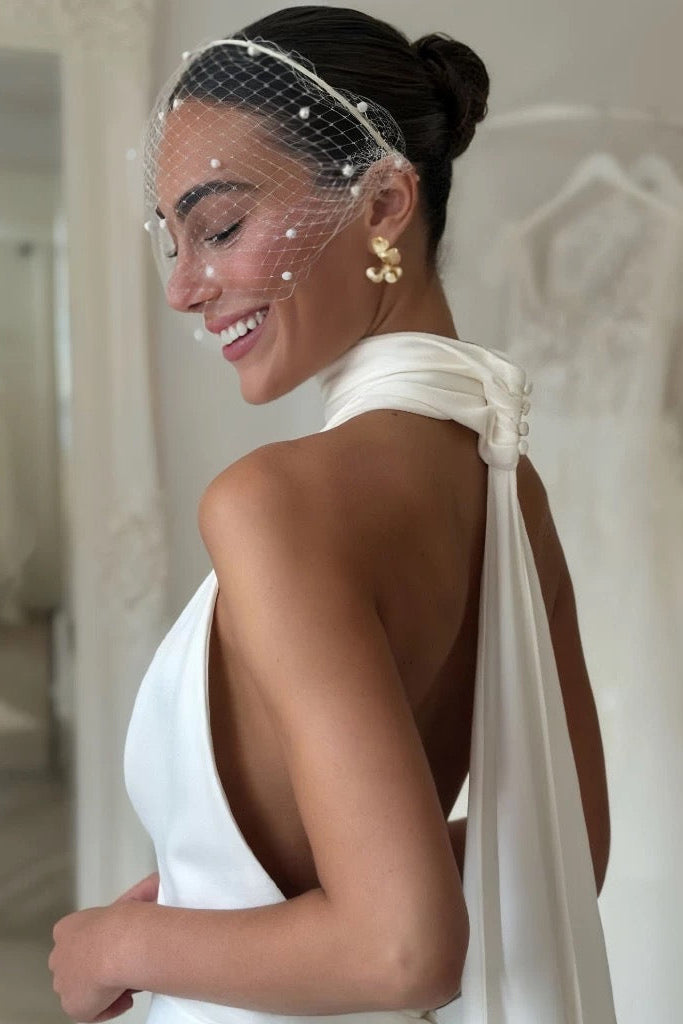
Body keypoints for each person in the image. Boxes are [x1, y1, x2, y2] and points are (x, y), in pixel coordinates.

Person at [48, 7, 615, 1023]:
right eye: (172, 238)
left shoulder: (274, 502)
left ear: (386, 199)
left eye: (218, 226)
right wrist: (221, 917)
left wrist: (116, 941)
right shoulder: (503, 482)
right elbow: (567, 844)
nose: (183, 286)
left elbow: (400, 950)